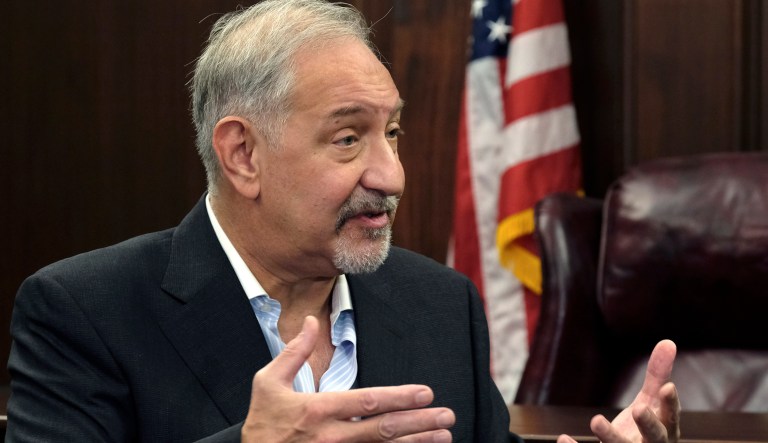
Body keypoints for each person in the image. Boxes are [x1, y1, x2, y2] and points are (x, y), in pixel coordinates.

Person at [6, 0, 681, 441]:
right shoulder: (84, 310)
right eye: (348, 138)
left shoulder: (441, 303)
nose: (391, 175)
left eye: (393, 132)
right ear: (243, 154)